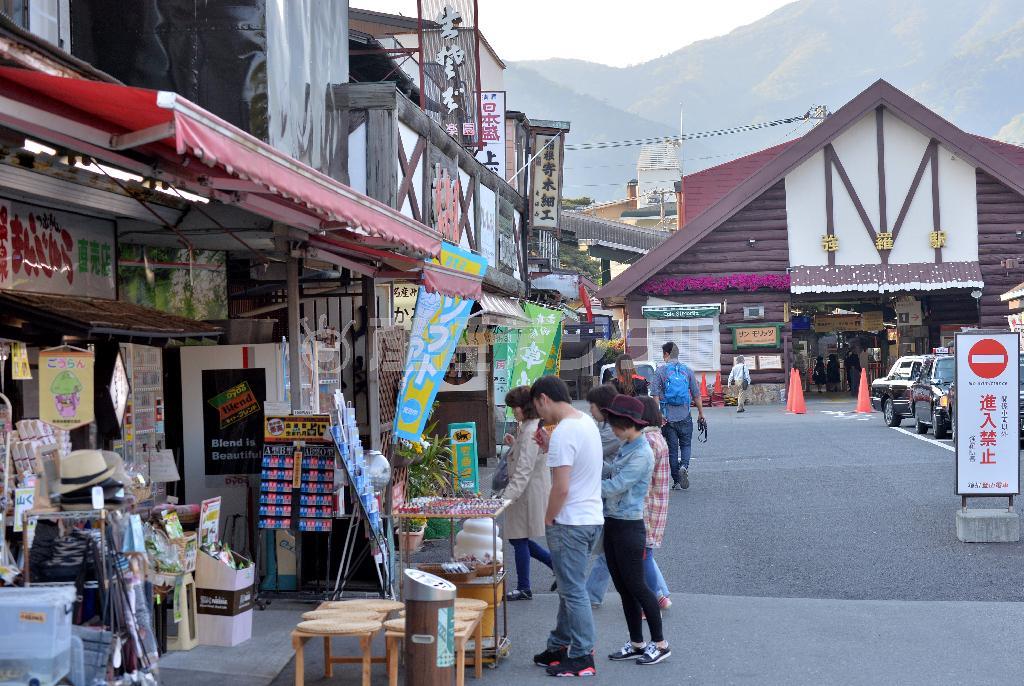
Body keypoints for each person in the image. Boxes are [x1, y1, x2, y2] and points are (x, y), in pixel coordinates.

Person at [530, 375, 605, 678]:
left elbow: (561, 487)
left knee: (572, 590)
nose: (539, 415)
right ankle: (559, 645)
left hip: (569, 522)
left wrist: (549, 517)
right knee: (567, 587)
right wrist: (551, 446)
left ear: (544, 399)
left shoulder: (563, 432)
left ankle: (583, 654)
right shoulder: (585, 422)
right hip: (590, 518)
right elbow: (579, 467)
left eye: (538, 408)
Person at [601, 394, 671, 665]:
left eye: (615, 425)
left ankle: (661, 644)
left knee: (639, 587)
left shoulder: (642, 452)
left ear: (628, 424)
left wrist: (584, 485)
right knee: (624, 588)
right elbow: (612, 470)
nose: (613, 430)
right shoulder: (628, 445)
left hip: (630, 526)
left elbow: (617, 485)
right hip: (614, 521)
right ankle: (637, 643)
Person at [501, 386, 554, 601]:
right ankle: (553, 566)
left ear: (525, 407)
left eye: (515, 407)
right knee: (518, 538)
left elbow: (524, 468)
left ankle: (524, 587)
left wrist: (505, 498)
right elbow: (528, 458)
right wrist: (515, 444)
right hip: (526, 491)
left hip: (526, 493)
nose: (513, 411)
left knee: (518, 538)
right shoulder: (530, 426)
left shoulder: (531, 430)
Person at [583, 384, 622, 608]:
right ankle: (591, 594)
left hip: (611, 492)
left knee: (614, 547)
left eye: (592, 406)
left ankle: (656, 592)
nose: (590, 410)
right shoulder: (606, 426)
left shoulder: (611, 431)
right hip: (608, 491)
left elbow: (592, 452)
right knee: (613, 547)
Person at [650, 342, 704, 490]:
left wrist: (658, 414)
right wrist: (701, 413)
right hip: (685, 415)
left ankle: (677, 481)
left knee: (672, 451)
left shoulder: (660, 371)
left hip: (668, 418)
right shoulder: (688, 371)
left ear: (666, 354)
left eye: (663, 354)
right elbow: (696, 395)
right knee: (686, 445)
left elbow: (655, 395)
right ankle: (684, 466)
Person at [638, 396, 671, 609]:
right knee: (646, 554)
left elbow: (642, 478)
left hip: (647, 505)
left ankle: (649, 603)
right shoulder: (657, 436)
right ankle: (659, 596)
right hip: (657, 502)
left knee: (644, 555)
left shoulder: (648, 441)